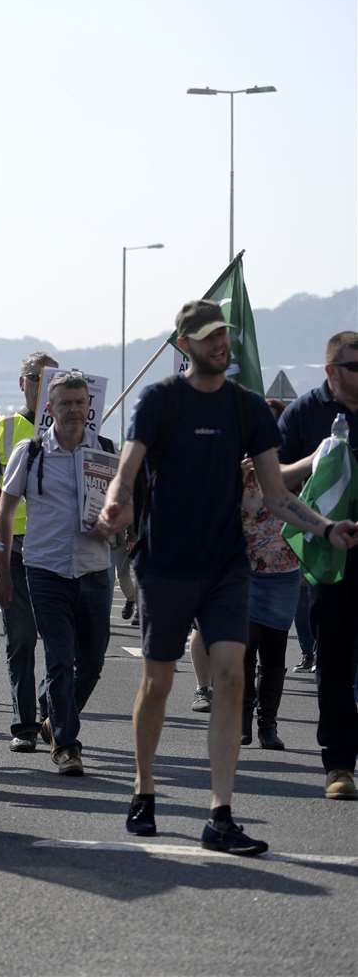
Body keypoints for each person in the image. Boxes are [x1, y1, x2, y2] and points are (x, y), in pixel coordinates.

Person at [99, 303, 356, 853]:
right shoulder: (160, 400)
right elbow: (127, 467)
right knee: (159, 683)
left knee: (233, 677)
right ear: (184, 345)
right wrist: (116, 504)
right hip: (165, 563)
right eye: (208, 336)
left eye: (224, 334)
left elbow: (276, 494)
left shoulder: (248, 410)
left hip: (225, 565)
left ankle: (220, 814)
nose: (221, 343)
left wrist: (326, 528)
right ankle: (144, 789)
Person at [0, 371, 116, 776]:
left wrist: (115, 523)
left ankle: (53, 714)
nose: (73, 410)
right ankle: (66, 744)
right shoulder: (29, 453)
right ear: (49, 408)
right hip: (45, 568)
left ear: (89, 406)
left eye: (79, 402)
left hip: (95, 570)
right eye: (64, 403)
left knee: (92, 662)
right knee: (59, 657)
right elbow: (5, 512)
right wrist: (2, 571)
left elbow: (127, 506)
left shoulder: (106, 451)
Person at [275, 330, 358, 797]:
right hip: (332, 553)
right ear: (332, 372)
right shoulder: (305, 412)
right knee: (335, 659)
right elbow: (274, 477)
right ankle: (339, 765)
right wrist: (315, 459)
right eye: (355, 368)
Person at [0, 352, 57, 749]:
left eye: (49, 379)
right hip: (18, 551)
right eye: (35, 378)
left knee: (65, 647)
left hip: (59, 553)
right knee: (21, 640)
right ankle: (24, 725)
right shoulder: (3, 429)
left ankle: (48, 710)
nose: (41, 385)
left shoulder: (73, 427)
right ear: (23, 383)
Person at [240, 399, 297, 752]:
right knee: (244, 651)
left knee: (275, 654)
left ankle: (268, 726)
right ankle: (242, 723)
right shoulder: (238, 470)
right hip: (243, 572)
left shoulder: (292, 471)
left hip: (284, 571)